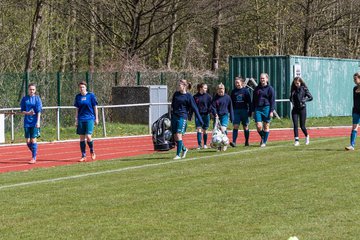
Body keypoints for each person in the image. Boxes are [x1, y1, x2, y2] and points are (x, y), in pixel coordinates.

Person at [171, 79, 204, 159]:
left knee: (179, 135)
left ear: (184, 86)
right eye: (178, 85)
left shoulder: (189, 96)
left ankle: (178, 155)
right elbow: (172, 105)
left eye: (180, 85)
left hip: (182, 117)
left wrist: (200, 119)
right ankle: (184, 149)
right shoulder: (176, 94)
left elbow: (195, 108)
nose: (178, 86)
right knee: (175, 136)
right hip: (174, 116)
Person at [74, 81, 99, 162]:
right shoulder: (78, 97)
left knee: (88, 136)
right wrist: (76, 120)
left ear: (86, 87)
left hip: (90, 118)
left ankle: (92, 150)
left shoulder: (91, 95)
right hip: (81, 118)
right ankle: (83, 155)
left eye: (83, 87)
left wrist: (96, 118)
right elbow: (77, 109)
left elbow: (95, 106)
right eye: (80, 87)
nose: (81, 89)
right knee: (81, 138)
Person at [20, 83, 42, 164]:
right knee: (28, 141)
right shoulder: (24, 99)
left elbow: (39, 111)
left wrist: (38, 122)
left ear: (35, 90)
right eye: (30, 89)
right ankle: (35, 152)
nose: (31, 91)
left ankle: (33, 157)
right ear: (28, 90)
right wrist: (27, 113)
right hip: (27, 122)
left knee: (33, 139)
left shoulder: (37, 99)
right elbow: (22, 110)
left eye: (33, 89)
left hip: (34, 122)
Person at [252, 73, 275, 147]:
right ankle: (263, 137)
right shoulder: (257, 88)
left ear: (267, 79)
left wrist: (271, 111)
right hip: (258, 108)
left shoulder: (270, 89)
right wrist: (252, 110)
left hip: (267, 108)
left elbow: (272, 101)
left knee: (266, 126)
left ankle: (264, 142)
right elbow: (254, 100)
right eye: (261, 78)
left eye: (263, 78)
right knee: (259, 126)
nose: (262, 80)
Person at [289, 77, 313, 146]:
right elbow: (291, 98)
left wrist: (304, 100)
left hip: (302, 109)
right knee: (295, 125)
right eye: (295, 83)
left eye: (298, 83)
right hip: (295, 109)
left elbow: (311, 97)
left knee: (302, 126)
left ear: (300, 82)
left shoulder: (304, 89)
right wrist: (291, 99)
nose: (296, 85)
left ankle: (307, 136)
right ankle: (296, 140)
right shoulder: (293, 90)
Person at [211, 83, 234, 151]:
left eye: (222, 90)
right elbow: (213, 107)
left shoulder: (227, 97)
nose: (221, 92)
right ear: (217, 90)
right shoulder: (215, 98)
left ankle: (225, 143)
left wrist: (232, 117)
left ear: (224, 89)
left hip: (225, 115)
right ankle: (219, 145)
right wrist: (215, 114)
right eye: (219, 90)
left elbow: (231, 107)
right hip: (217, 117)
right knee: (217, 132)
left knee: (223, 129)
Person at [230, 77, 252, 147]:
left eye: (238, 82)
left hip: (244, 111)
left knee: (245, 126)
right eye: (235, 83)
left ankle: (246, 141)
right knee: (235, 126)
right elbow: (231, 103)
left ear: (241, 83)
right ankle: (234, 142)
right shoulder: (233, 92)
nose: (237, 84)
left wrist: (250, 112)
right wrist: (231, 113)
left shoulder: (245, 91)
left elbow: (249, 102)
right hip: (236, 111)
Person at [192, 83, 212, 149]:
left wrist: (210, 111)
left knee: (205, 130)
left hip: (206, 115)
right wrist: (190, 114)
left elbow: (211, 105)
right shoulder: (195, 97)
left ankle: (205, 144)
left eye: (206, 88)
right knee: (199, 129)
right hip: (198, 115)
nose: (206, 89)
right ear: (200, 88)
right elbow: (193, 106)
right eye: (205, 88)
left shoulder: (208, 97)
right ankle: (199, 145)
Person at [345, 72, 360, 151]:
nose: (354, 80)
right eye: (353, 79)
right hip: (356, 110)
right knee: (354, 127)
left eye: (355, 79)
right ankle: (352, 145)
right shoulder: (354, 88)